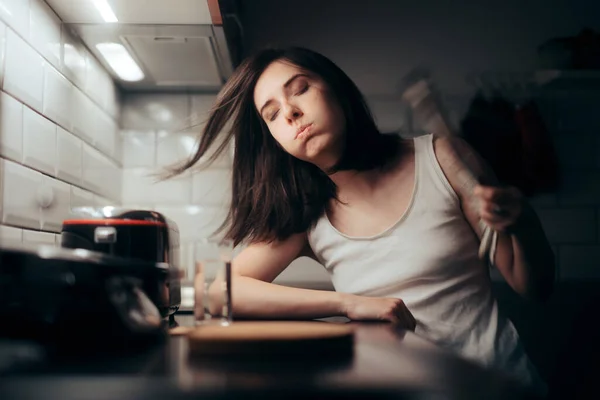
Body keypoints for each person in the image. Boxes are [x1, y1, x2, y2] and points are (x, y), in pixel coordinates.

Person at [166, 47, 555, 395]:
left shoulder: (443, 158)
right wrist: (349, 304)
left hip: (500, 386)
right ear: (274, 139)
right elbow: (215, 292)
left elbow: (533, 286)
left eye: (299, 88)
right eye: (271, 114)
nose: (290, 113)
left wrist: (519, 220)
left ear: (337, 89)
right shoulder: (307, 212)